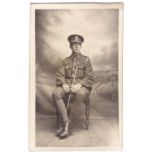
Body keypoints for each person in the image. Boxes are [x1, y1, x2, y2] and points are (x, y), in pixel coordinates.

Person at [52, 34, 94, 139]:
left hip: (81, 86)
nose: (76, 46)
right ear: (70, 46)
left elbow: (89, 76)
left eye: (78, 44)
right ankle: (67, 123)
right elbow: (60, 75)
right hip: (67, 85)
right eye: (74, 44)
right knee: (56, 93)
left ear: (81, 46)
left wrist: (79, 85)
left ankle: (66, 126)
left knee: (79, 93)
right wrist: (63, 84)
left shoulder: (86, 60)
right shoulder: (65, 61)